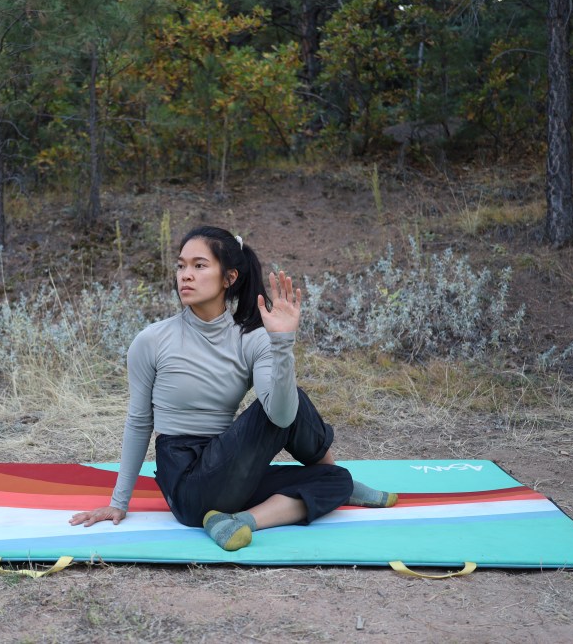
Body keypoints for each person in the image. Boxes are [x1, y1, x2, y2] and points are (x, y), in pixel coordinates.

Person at [69, 226, 396, 551]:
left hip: (229, 466)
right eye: (181, 265)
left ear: (229, 277)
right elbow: (139, 421)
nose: (185, 275)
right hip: (186, 481)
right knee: (291, 408)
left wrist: (282, 343)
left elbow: (282, 416)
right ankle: (321, 485)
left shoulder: (252, 339)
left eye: (199, 265)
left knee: (330, 473)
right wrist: (118, 502)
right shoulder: (151, 341)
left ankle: (240, 521)